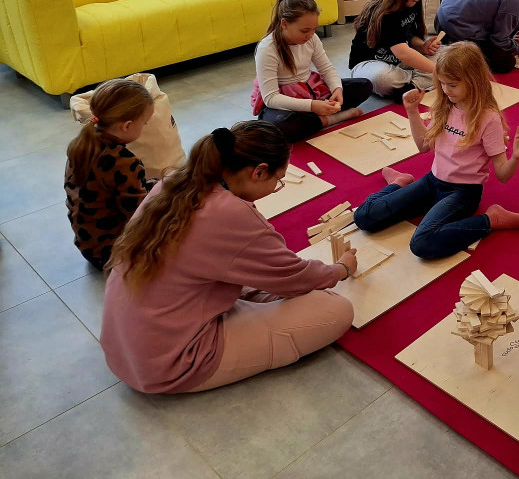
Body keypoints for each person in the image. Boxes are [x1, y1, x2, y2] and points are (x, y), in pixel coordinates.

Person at [101, 121, 356, 394]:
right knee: (336, 310)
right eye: (277, 180)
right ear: (258, 172)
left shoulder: (173, 182)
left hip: (126, 345)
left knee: (265, 283)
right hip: (169, 362)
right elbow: (295, 276)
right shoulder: (231, 213)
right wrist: (339, 269)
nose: (276, 186)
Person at [354, 42, 519, 258]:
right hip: (433, 181)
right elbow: (423, 146)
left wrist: (516, 157)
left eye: (453, 85)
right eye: (442, 84)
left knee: (422, 243)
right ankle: (398, 184)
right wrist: (412, 111)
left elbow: (503, 175)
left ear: (474, 82)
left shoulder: (489, 119)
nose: (446, 90)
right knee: (363, 217)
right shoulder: (445, 106)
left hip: (463, 192)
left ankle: (490, 219)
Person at [251, 0, 372, 142]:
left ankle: (315, 117)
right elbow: (271, 98)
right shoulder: (267, 48)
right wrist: (312, 106)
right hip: (283, 100)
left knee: (365, 85)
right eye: (305, 30)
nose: (310, 35)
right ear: (284, 24)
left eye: (314, 29)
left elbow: (326, 68)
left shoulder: (312, 38)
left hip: (312, 91)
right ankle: (330, 119)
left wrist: (337, 89)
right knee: (279, 126)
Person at [65, 79, 154, 269]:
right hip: (112, 253)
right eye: (144, 123)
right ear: (126, 125)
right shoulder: (124, 161)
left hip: (89, 245)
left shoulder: (81, 145)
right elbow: (139, 216)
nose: (144, 127)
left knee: (159, 186)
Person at [349, 0, 440, 99]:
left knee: (450, 54)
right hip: (371, 64)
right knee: (383, 79)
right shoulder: (385, 13)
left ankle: (411, 86)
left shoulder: (412, 2)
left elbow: (410, 37)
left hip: (399, 63)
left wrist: (422, 46)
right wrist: (439, 71)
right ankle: (419, 82)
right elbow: (404, 53)